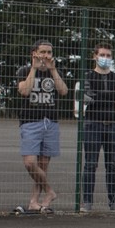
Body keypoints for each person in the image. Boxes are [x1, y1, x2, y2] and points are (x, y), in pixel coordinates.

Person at [15, 39, 69, 214]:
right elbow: (24, 90)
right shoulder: (24, 71)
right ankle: (50, 191)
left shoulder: (55, 72)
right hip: (30, 122)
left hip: (50, 123)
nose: (46, 56)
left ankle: (34, 201)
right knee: (30, 163)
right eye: (43, 52)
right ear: (34, 53)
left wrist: (53, 70)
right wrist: (34, 68)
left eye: (49, 52)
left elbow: (63, 91)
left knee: (43, 165)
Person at [78, 42, 115, 214]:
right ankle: (86, 202)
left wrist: (100, 95)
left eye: (108, 56)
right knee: (90, 164)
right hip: (92, 123)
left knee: (113, 164)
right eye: (102, 55)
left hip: (113, 124)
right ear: (95, 56)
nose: (105, 59)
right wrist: (112, 95)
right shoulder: (87, 76)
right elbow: (86, 96)